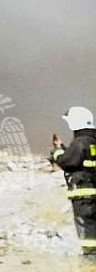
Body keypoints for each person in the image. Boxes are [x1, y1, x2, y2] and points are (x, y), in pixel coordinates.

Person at [51, 106, 96, 261]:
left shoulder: (79, 142)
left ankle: (91, 261)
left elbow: (66, 161)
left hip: (84, 198)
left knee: (87, 231)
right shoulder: (92, 142)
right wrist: (64, 148)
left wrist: (57, 151)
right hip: (93, 195)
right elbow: (78, 159)